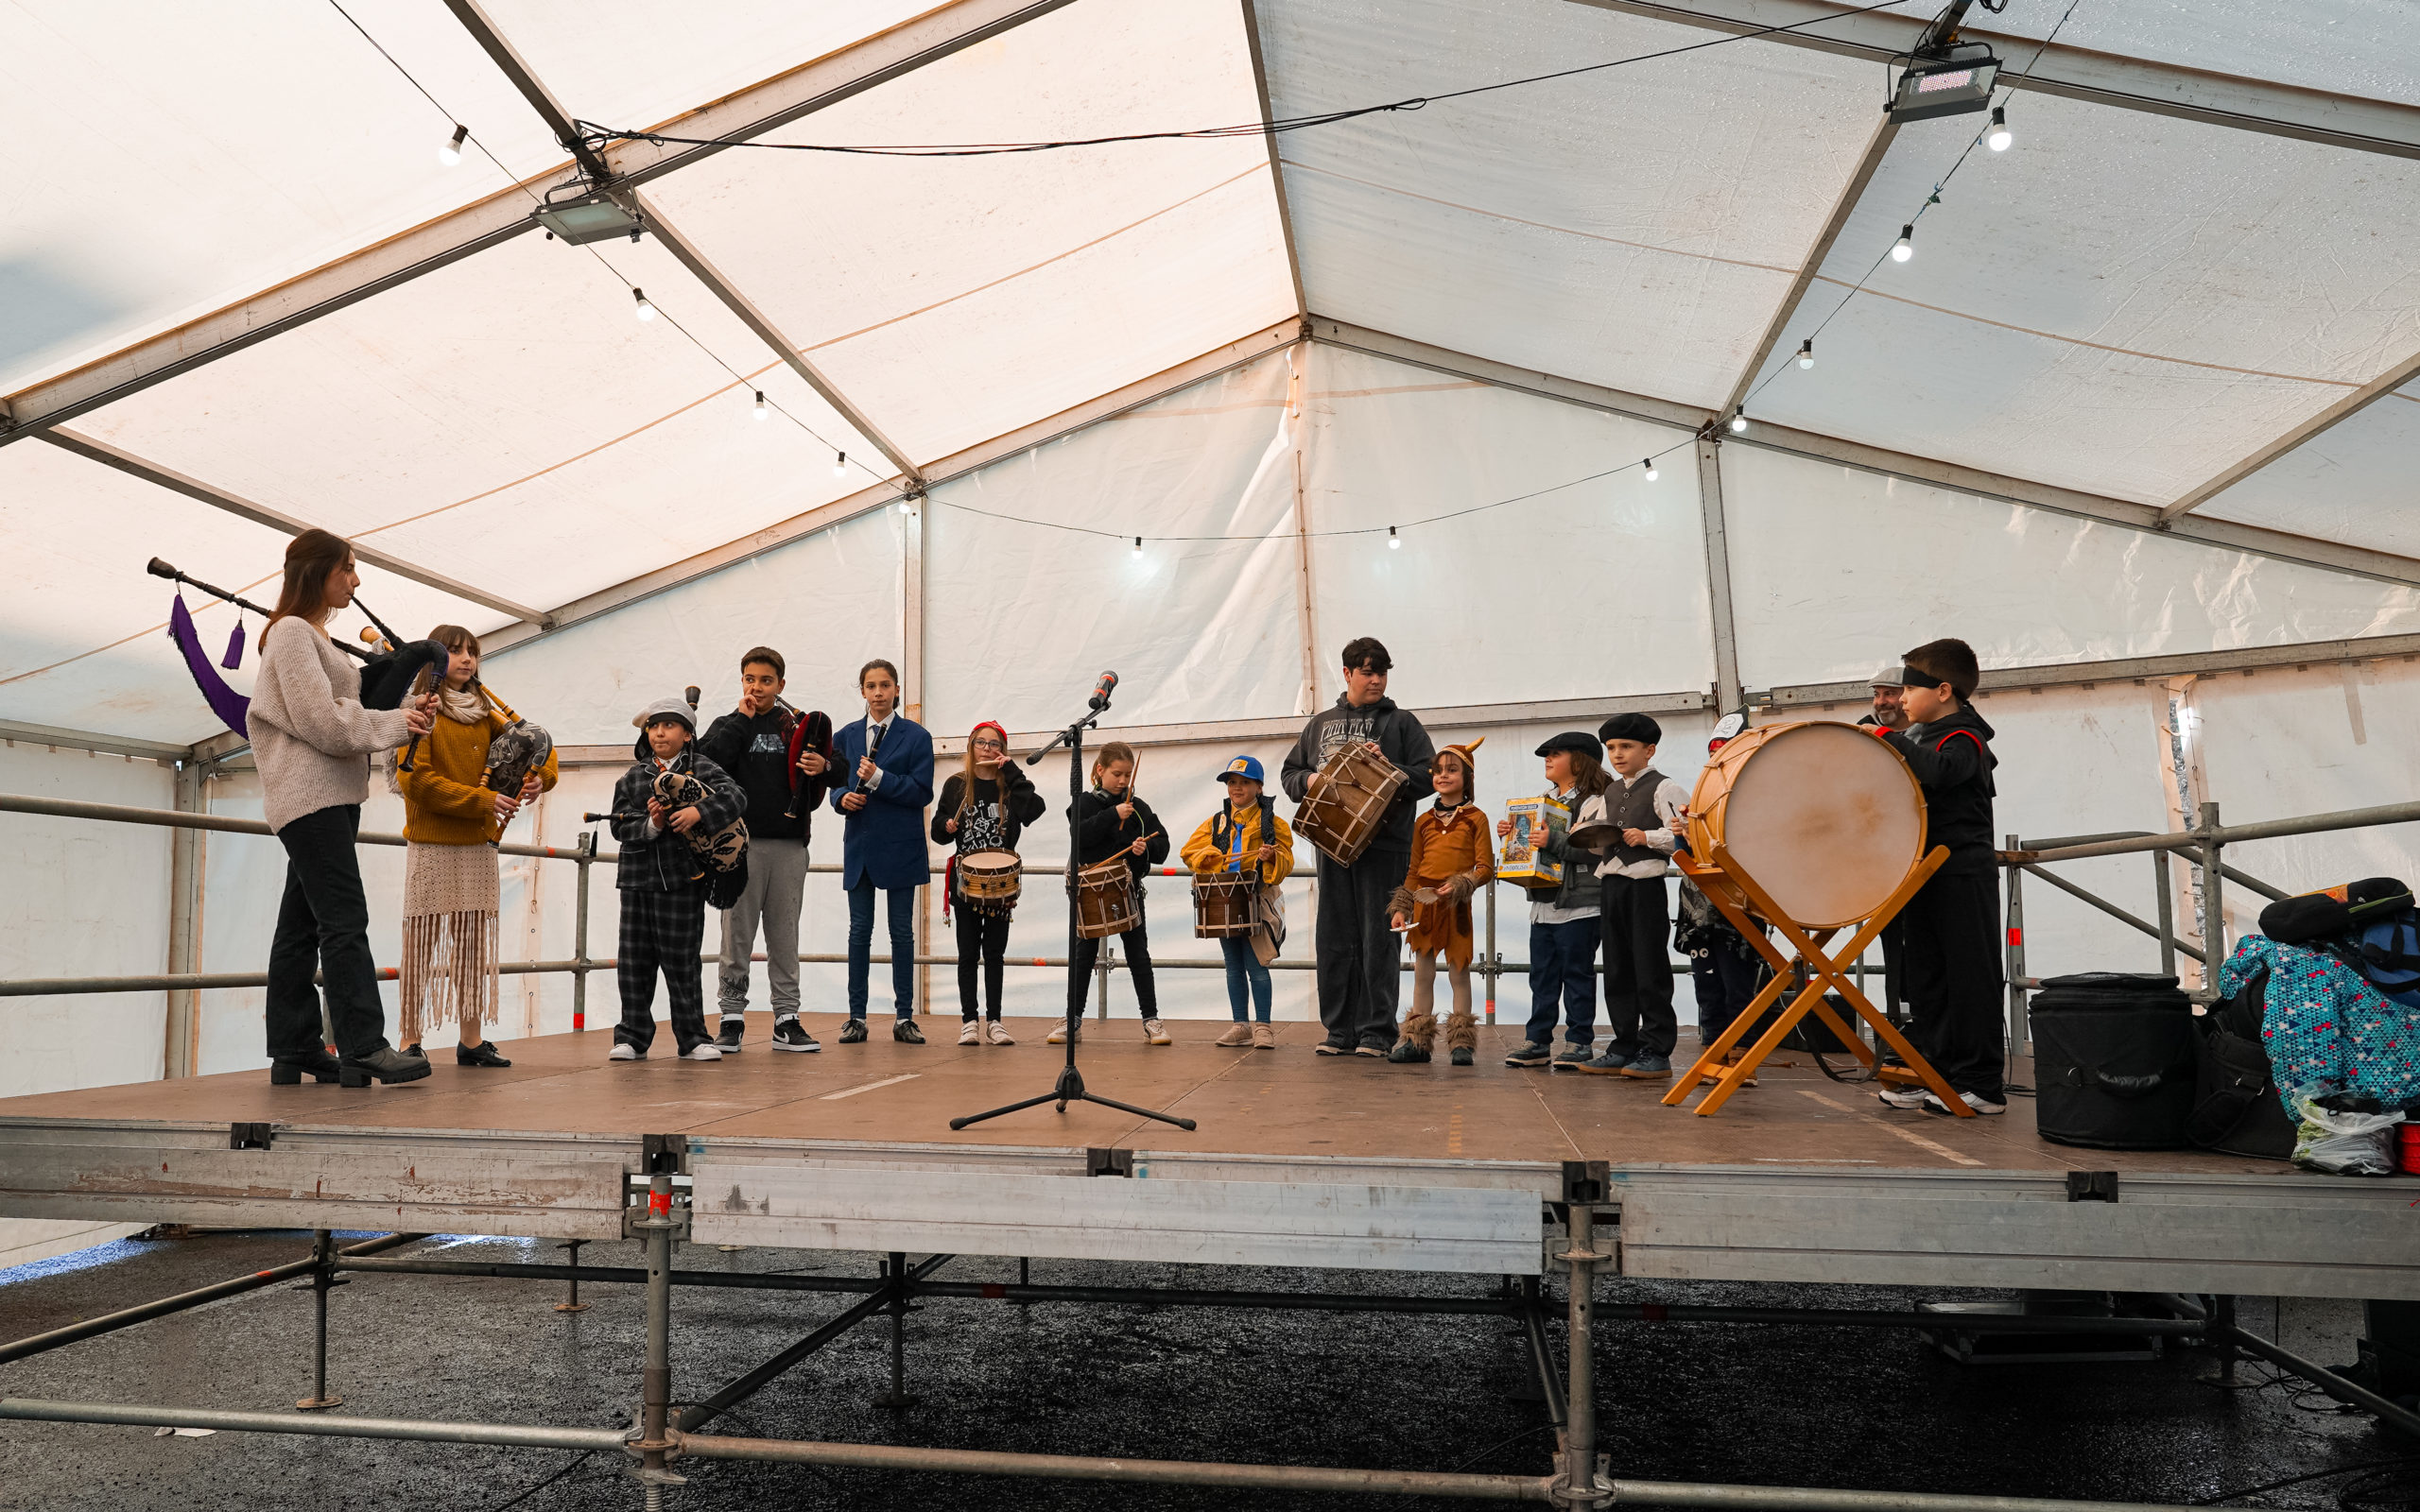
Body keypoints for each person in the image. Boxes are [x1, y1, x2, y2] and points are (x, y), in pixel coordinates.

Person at [248, 530, 437, 1088]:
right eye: (348, 569)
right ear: (318, 572)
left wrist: (405, 706)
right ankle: (363, 1046)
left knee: (301, 925)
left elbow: (348, 704)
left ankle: (294, 1046)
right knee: (343, 919)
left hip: (322, 795)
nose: (356, 580)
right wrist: (402, 722)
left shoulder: (310, 638)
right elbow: (325, 724)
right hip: (312, 797)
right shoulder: (289, 634)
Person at [389, 625, 557, 1067]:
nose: (465, 659)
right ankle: (409, 1039)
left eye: (472, 652)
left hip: (477, 843)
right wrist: (482, 799)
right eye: (453, 651)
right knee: (421, 943)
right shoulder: (418, 711)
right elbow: (416, 782)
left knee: (470, 942)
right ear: (433, 659)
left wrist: (541, 779)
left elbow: (540, 744)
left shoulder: (487, 711)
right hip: (431, 841)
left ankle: (471, 1039)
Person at [1869, 640, 2007, 1115]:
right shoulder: (1923, 736)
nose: (1901, 699)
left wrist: (1891, 741)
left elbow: (1944, 774)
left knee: (1969, 977)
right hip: (1923, 876)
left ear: (1944, 690)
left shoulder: (1964, 738)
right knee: (1927, 980)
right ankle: (1935, 1073)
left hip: (1961, 875)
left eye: (1909, 690)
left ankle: (1982, 1084)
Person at [1281, 637, 1436, 1057]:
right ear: (1347, 674)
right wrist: (1309, 781)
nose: (1376, 680)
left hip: (1385, 847)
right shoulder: (1319, 724)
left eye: (1382, 672)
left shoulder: (1403, 723)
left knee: (1378, 938)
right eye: (1367, 671)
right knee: (1334, 938)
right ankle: (1339, 1031)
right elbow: (1290, 773)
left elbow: (1429, 776)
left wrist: (1389, 767)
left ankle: (1376, 1033)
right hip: (1332, 845)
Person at [700, 647, 836, 1054]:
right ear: (742, 681)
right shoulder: (728, 723)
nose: (756, 687)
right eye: (749, 679)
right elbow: (705, 760)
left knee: (784, 935)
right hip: (738, 846)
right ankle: (731, 1017)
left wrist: (823, 768)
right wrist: (742, 720)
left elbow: (839, 763)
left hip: (790, 845)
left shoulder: (798, 725)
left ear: (781, 684)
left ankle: (786, 1018)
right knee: (735, 934)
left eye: (765, 680)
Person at [608, 695, 746, 1062]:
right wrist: (651, 824)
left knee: (683, 962)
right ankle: (632, 1037)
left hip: (684, 880)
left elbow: (736, 797)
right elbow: (619, 827)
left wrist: (698, 813)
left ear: (688, 733)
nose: (659, 733)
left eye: (668, 725)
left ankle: (693, 1038)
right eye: (653, 726)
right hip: (637, 880)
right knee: (633, 963)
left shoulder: (702, 768)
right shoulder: (634, 777)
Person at [1573, 713, 1688, 1079]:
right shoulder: (1608, 791)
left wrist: (1649, 837)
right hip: (1613, 884)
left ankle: (1656, 1048)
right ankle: (1623, 1044)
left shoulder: (1665, 787)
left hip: (1645, 886)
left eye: (1626, 747)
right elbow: (1599, 841)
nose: (1618, 754)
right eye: (1611, 748)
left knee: (1649, 967)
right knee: (1618, 967)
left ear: (1649, 750)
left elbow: (1689, 838)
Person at [831, 660, 933, 1043]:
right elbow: (834, 788)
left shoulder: (916, 736)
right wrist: (843, 799)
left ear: (896, 690)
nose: (878, 692)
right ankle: (856, 1017)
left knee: (901, 934)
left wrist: (879, 779)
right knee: (859, 932)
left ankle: (904, 1016)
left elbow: (922, 792)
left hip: (901, 847)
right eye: (871, 686)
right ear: (861, 691)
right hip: (860, 845)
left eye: (885, 685)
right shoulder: (845, 736)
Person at [931, 720, 1046, 1044]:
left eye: (994, 744)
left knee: (994, 953)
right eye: (981, 742)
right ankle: (969, 1021)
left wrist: (1013, 773)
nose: (987, 749)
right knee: (967, 953)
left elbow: (1035, 810)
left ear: (1003, 751)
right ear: (971, 746)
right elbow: (937, 830)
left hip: (1000, 883)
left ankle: (995, 1021)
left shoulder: (1009, 785)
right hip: (966, 880)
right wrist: (947, 826)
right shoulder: (956, 785)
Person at [1502, 732, 1611, 1069]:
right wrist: (1513, 834)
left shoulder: (1598, 800)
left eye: (1556, 753)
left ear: (1580, 760)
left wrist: (1554, 840)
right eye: (1547, 753)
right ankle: (1538, 1041)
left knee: (1577, 974)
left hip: (1581, 903)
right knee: (1542, 975)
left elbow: (1598, 850)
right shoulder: (1544, 799)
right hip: (1545, 903)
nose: (1547, 759)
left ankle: (1579, 1042)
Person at [1388, 741, 1495, 1065]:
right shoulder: (1422, 821)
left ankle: (1461, 1043)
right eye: (1437, 770)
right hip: (1425, 904)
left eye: (1452, 769)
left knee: (1459, 972)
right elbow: (1414, 870)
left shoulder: (1477, 818)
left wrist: (1462, 883)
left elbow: (1486, 868)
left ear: (1468, 776)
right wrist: (1400, 908)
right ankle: (1417, 1041)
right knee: (1423, 973)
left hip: (1457, 906)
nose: (1443, 776)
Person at [1182, 755, 1295, 1050]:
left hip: (1255, 898)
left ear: (1259, 787)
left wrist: (1272, 858)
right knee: (1232, 965)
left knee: (1257, 963)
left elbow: (1287, 859)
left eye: (1244, 783)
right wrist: (1206, 856)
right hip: (1224, 899)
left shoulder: (1272, 822)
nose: (1236, 788)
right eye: (1232, 782)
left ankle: (1264, 1027)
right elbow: (1189, 851)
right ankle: (1240, 1024)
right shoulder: (1217, 821)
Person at [1676, 714, 1766, 1086]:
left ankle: (1743, 1053)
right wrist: (1682, 833)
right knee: (1707, 985)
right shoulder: (1703, 793)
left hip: (1742, 903)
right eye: (1716, 753)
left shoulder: (1763, 794)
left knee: (1738, 983)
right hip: (1700, 907)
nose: (1722, 760)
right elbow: (1687, 854)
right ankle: (1714, 1049)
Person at [1063, 742, 1171, 1044]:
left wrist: (1145, 847)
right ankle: (1073, 1018)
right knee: (1083, 955)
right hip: (1090, 891)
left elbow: (1162, 846)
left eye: (1127, 775)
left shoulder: (1138, 808)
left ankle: (1151, 1019)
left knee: (1138, 954)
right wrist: (1113, 813)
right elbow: (1079, 836)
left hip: (1128, 889)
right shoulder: (1083, 802)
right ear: (1100, 771)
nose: (1123, 781)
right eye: (1117, 774)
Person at [1856, 671, 1910, 1019]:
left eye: (1889, 693)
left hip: (1922, 859)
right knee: (1897, 950)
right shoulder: (1864, 731)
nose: (1881, 702)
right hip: (1886, 861)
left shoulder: (1930, 735)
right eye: (1877, 694)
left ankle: (1915, 1026)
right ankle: (1900, 1024)